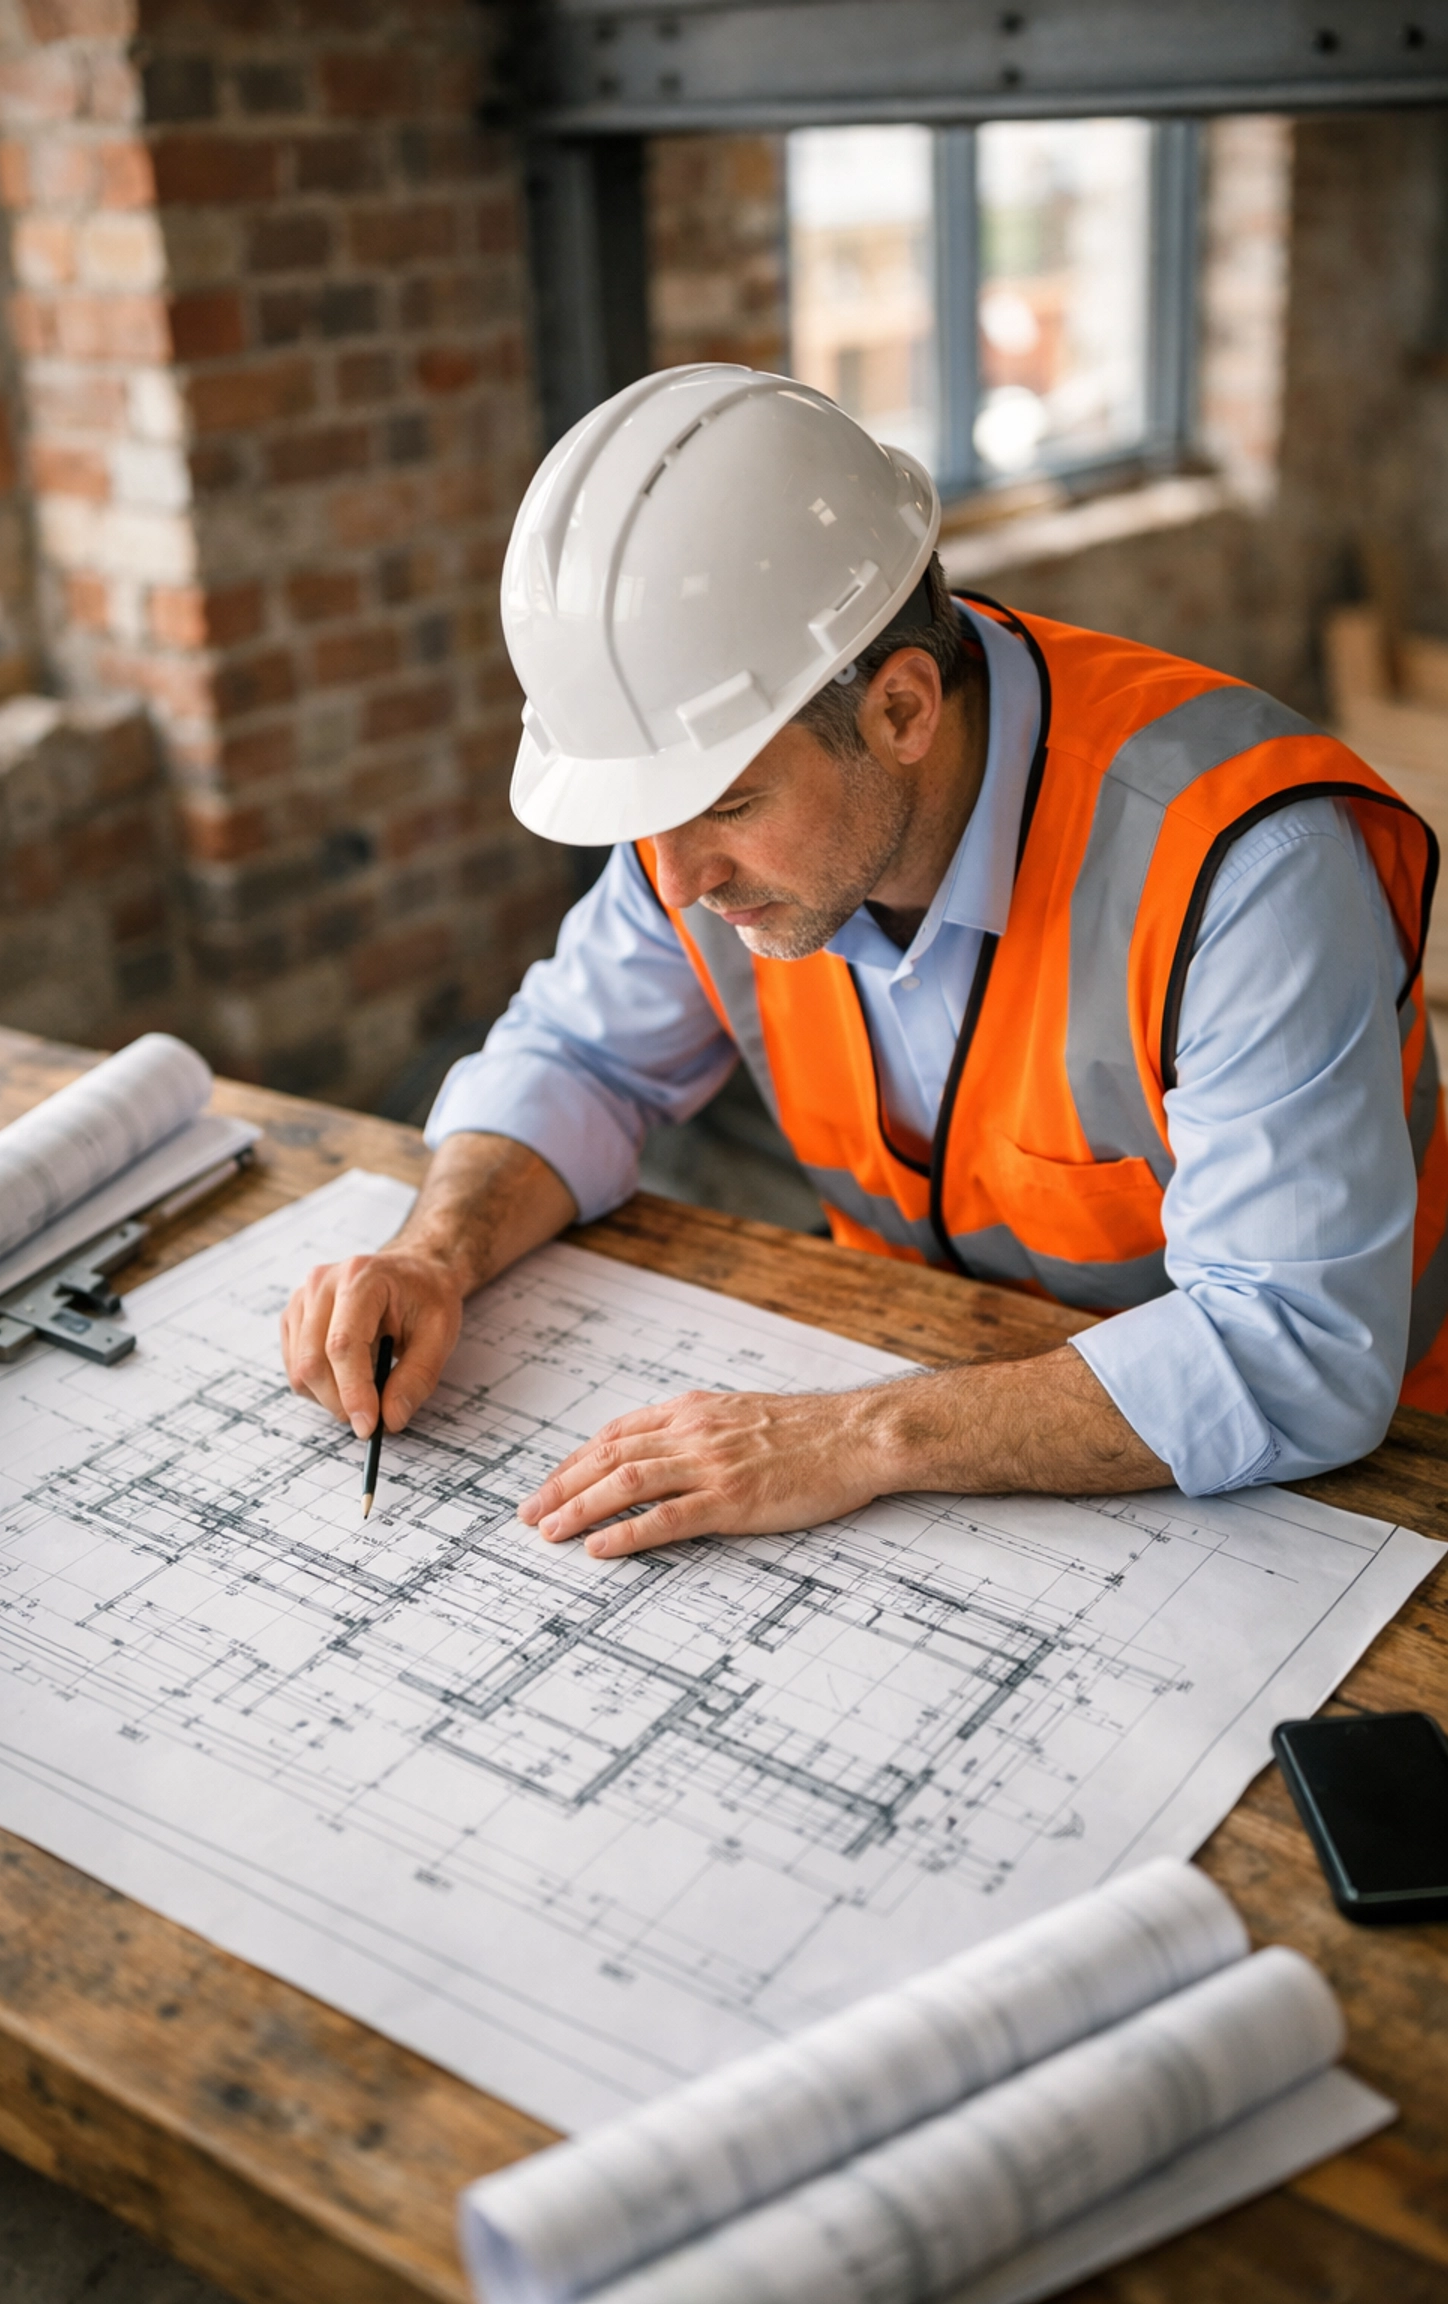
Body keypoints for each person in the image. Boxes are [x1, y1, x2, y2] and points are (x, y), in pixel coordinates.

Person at [282, 365, 1447, 1560]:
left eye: (728, 804)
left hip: (1349, 1511)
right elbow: (578, 1057)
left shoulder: (1247, 870)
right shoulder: (695, 840)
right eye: (648, 820)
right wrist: (434, 1255)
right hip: (951, 1436)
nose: (676, 880)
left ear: (900, 710)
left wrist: (848, 1440)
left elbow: (1299, 1348)